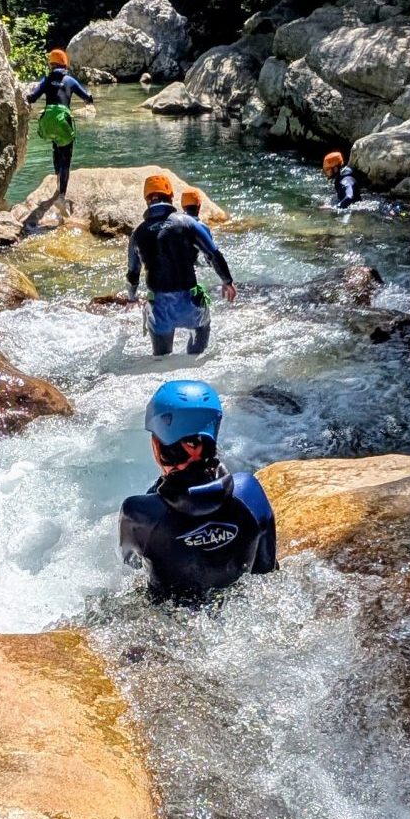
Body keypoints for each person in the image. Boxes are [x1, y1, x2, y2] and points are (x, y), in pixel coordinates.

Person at [119, 380, 277, 602]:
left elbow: (130, 571)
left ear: (156, 445)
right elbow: (268, 572)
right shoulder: (249, 493)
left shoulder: (139, 513)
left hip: (169, 627)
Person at [127, 173, 236, 356]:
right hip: (190, 305)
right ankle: (195, 359)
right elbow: (212, 253)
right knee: (199, 345)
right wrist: (227, 281)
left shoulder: (137, 234)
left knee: (161, 359)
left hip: (159, 308)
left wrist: (131, 298)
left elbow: (132, 274)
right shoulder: (187, 223)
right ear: (170, 197)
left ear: (147, 201)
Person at [27, 49, 96, 201]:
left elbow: (32, 98)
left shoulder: (46, 79)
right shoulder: (70, 81)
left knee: (56, 147)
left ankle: (58, 182)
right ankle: (61, 197)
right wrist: (90, 98)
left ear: (51, 64)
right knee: (66, 158)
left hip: (48, 121)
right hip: (63, 120)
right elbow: (87, 98)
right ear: (65, 64)